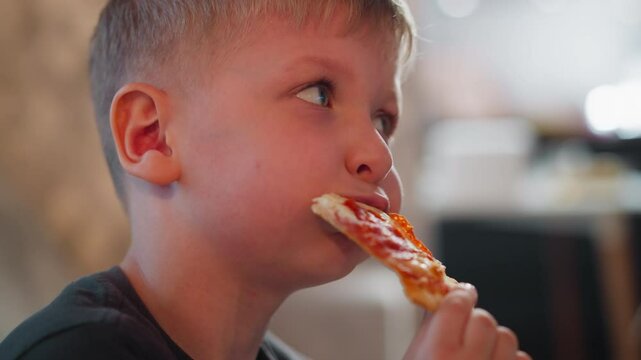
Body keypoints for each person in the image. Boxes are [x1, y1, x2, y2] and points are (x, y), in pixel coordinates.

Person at [0, 1, 530, 359]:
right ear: (153, 137)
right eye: (318, 94)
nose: (378, 153)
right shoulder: (78, 349)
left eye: (383, 119)